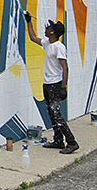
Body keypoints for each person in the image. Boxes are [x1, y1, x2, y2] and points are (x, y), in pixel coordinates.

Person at [24, 11, 79, 154]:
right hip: (47, 84)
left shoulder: (59, 47)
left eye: (49, 28)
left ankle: (71, 142)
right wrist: (28, 21)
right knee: (51, 112)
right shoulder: (48, 43)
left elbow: (65, 67)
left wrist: (63, 87)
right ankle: (58, 141)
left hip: (55, 84)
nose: (46, 29)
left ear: (53, 32)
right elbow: (33, 38)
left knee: (56, 113)